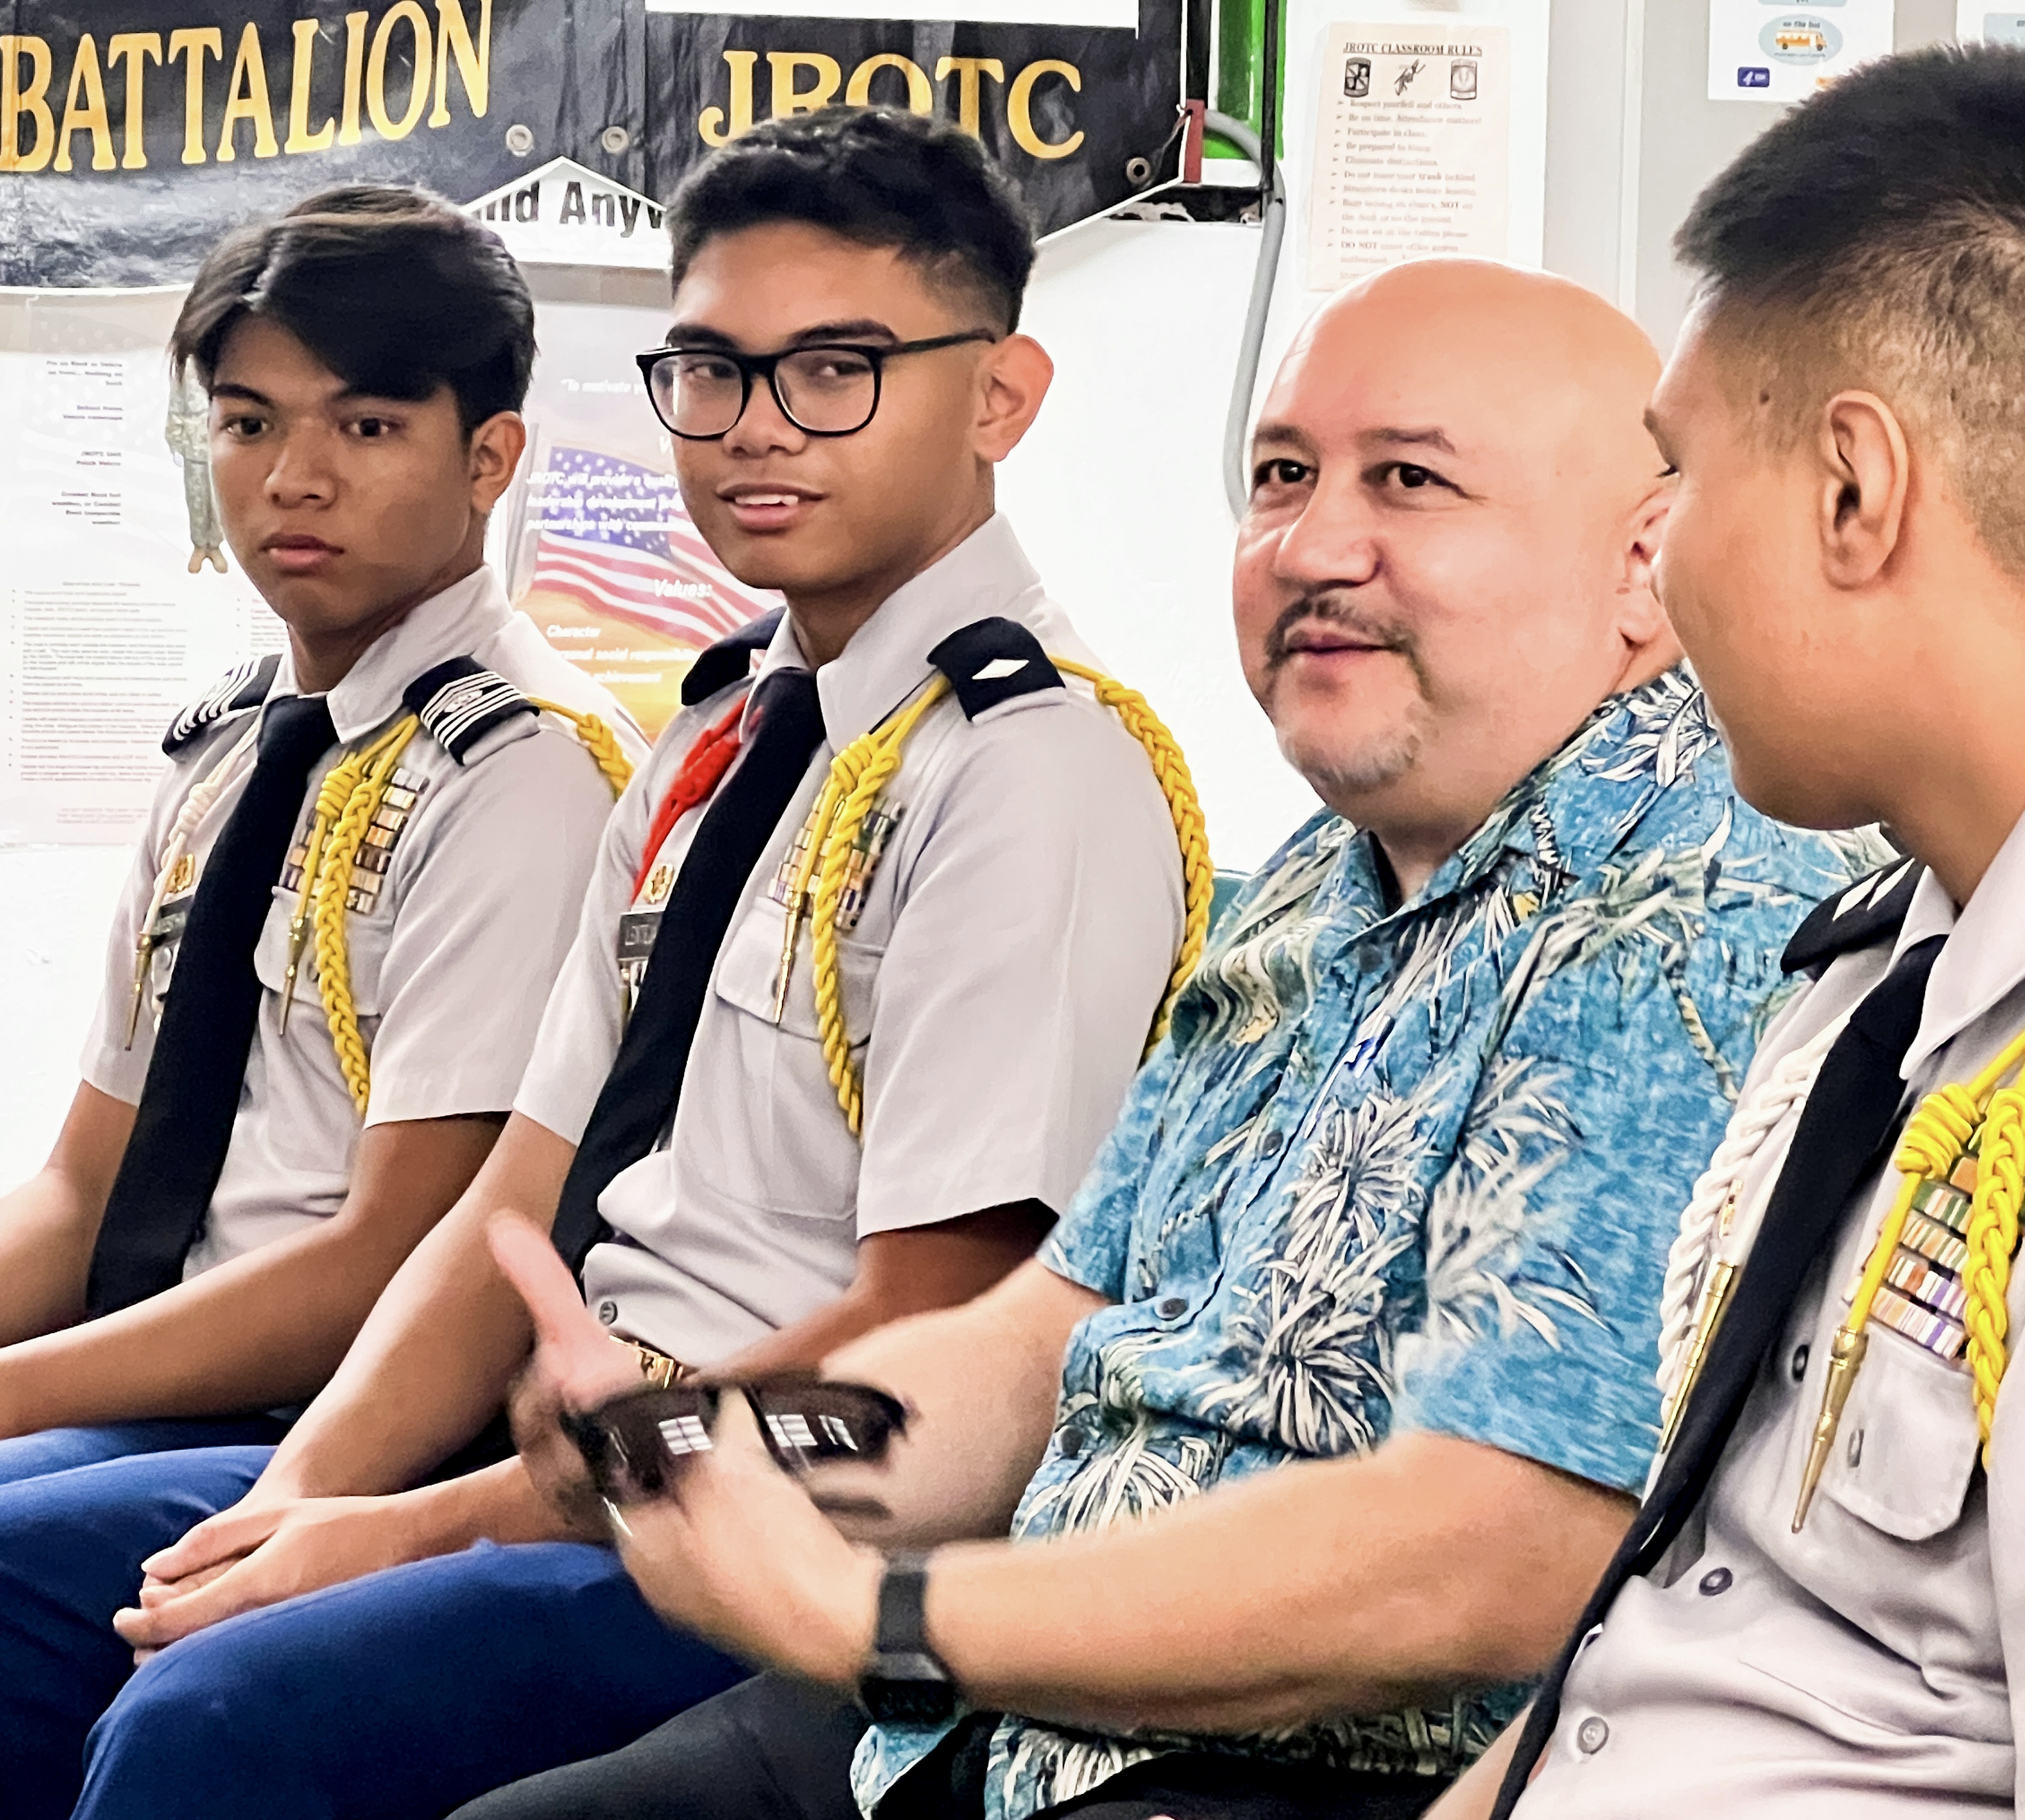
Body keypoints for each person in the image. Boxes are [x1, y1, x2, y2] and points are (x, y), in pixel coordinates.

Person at [460, 255, 1879, 1820]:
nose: (1310, 545)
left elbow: (1498, 1554)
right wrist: (708, 1439)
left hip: (1290, 1763)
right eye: (1281, 477)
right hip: (1014, 1709)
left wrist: (883, 1624)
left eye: (1410, 482)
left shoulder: (1686, 906)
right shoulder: (1300, 891)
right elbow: (1036, 1343)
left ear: (1642, 569)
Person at [4, 108, 1193, 1818]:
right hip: (564, 1455)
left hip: (784, 1507)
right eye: (710, 372)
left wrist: (408, 1523)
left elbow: (936, 1331)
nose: (756, 431)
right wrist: (304, 1501)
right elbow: (518, 1198)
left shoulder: (1030, 769)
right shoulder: (714, 738)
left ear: (999, 395)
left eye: (836, 370)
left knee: (210, 1727)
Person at [1423, 44, 2025, 1820]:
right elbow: (1687, 1656)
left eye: (1680, 477)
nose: (1649, 564)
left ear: (1854, 494)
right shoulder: (1902, 960)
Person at [0, 179, 639, 1752]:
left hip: (349, 1411)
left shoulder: (530, 772)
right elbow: (84, 1191)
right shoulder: (223, 756)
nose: (291, 478)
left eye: (363, 428)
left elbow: (387, 1258)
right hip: (162, 1379)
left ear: (489, 455)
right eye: (245, 423)